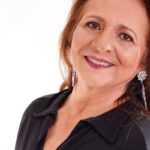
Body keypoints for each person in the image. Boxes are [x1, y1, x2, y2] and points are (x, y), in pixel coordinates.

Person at [15, 0, 150, 149]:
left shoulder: (136, 140)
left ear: (144, 60)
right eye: (93, 25)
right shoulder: (36, 112)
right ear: (72, 31)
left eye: (125, 36)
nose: (102, 45)